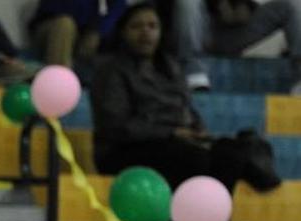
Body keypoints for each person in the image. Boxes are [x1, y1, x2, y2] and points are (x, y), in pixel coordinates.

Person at [92, 1, 281, 191]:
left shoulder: (169, 67)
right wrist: (170, 133)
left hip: (173, 142)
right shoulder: (111, 72)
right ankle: (180, 217)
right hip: (124, 150)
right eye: (136, 26)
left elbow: (186, 108)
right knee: (194, 159)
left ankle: (210, 216)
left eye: (152, 26)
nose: (145, 33)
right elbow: (116, 128)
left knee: (230, 154)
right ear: (123, 32)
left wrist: (198, 130)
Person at [172, 0, 301, 93]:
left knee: (290, 7)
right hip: (199, 31)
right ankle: (193, 69)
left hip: (232, 31)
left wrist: (244, 8)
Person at [30, 0, 128, 68]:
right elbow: (57, 9)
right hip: (52, 30)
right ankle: (59, 85)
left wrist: (97, 31)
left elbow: (118, 10)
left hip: (85, 34)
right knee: (65, 24)